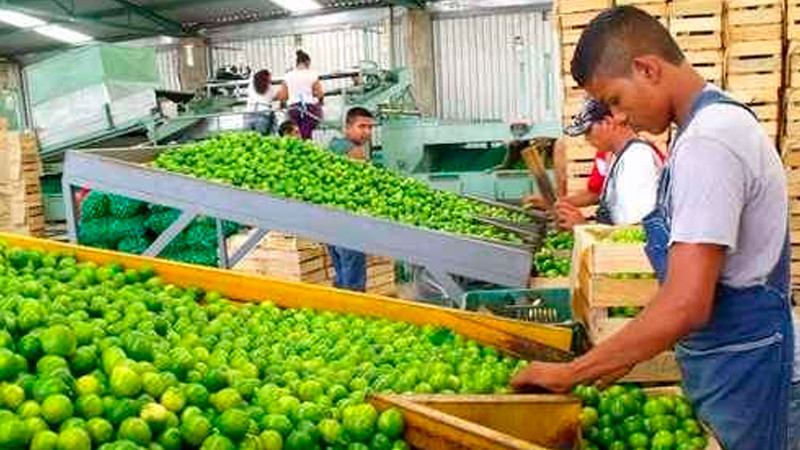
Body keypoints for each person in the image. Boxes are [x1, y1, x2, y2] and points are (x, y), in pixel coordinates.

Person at [511, 6, 797, 449]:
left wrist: (573, 373)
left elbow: (687, 303)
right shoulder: (703, 127)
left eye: (616, 100)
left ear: (646, 68)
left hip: (749, 373)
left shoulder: (708, 141)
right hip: (730, 361)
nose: (619, 118)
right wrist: (618, 359)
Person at [554, 98, 663, 229]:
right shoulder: (617, 156)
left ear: (608, 122)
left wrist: (584, 227)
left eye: (588, 132)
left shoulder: (636, 158)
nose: (586, 140)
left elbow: (639, 230)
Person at [326, 107, 376, 291]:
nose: (367, 132)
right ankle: (354, 311)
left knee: (342, 273)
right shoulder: (355, 152)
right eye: (361, 126)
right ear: (347, 127)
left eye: (370, 127)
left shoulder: (333, 145)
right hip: (348, 222)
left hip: (328, 221)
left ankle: (341, 311)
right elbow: (365, 189)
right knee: (354, 279)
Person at [277, 50, 324, 139]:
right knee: (306, 135)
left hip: (293, 109)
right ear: (307, 62)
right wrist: (320, 102)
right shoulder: (312, 74)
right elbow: (320, 94)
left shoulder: (288, 75)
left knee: (294, 134)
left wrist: (282, 104)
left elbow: (282, 96)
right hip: (309, 109)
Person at [245, 69, 277, 135]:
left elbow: (252, 76)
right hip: (264, 114)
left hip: (249, 114)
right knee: (264, 139)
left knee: (249, 139)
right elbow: (275, 97)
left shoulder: (251, 85)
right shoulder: (270, 89)